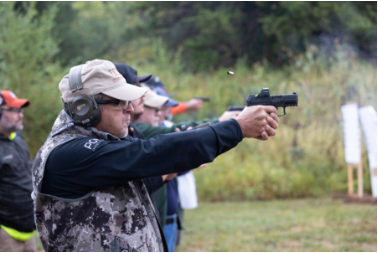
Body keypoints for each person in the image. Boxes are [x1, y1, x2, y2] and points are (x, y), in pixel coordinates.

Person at [32, 59, 279, 252]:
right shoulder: (68, 153)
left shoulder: (97, 145)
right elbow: (151, 152)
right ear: (85, 107)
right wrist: (237, 127)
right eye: (119, 101)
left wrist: (181, 160)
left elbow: (133, 184)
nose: (130, 108)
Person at [0, 90, 36, 252]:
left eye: (20, 111)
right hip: (6, 233)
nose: (20, 115)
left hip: (29, 230)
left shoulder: (18, 140)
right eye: (14, 110)